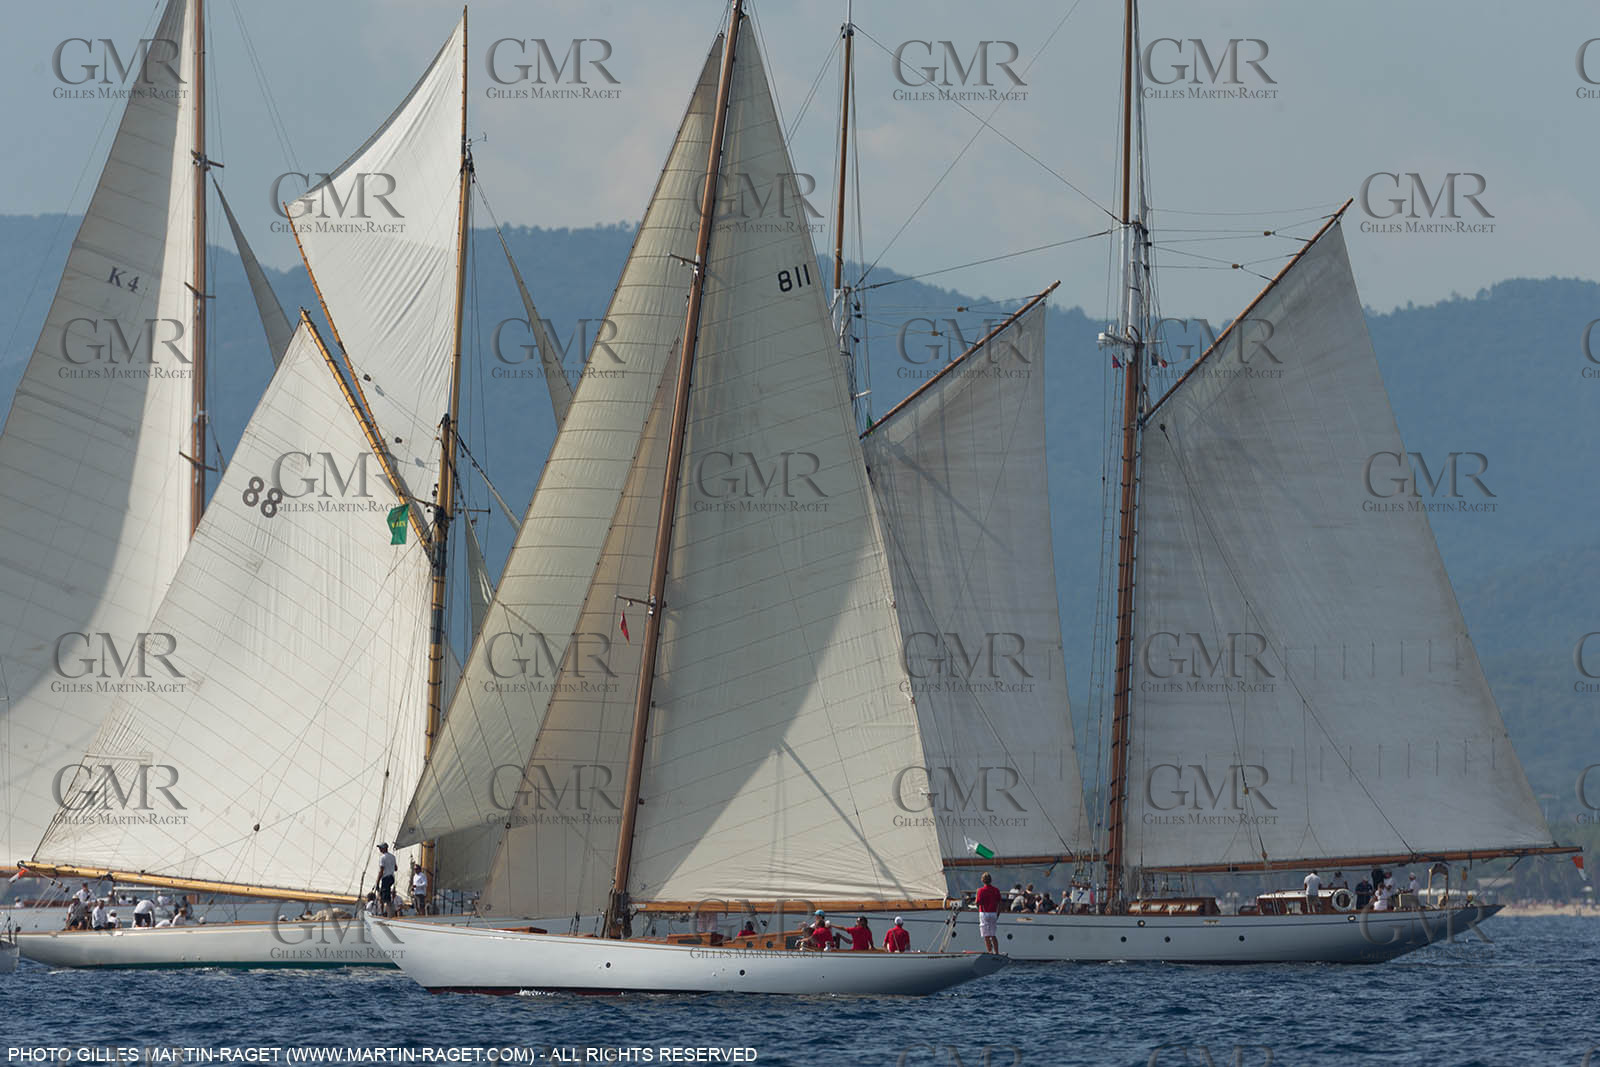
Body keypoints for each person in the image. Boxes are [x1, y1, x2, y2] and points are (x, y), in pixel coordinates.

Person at [975, 872, 1003, 954]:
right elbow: (1000, 903)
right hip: (993, 913)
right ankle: (997, 952)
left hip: (984, 913)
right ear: (991, 880)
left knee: (986, 936)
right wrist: (998, 914)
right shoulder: (996, 890)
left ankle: (990, 952)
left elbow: (977, 903)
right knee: (993, 934)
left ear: (982, 880)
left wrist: (977, 895)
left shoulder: (980, 891)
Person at [375, 843, 398, 917]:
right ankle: (384, 912)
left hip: (386, 878)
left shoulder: (383, 857)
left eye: (381, 848)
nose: (380, 849)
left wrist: (377, 882)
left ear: (385, 848)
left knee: (385, 898)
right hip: (391, 878)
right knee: (383, 896)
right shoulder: (393, 857)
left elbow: (381, 870)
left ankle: (388, 914)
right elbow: (396, 868)